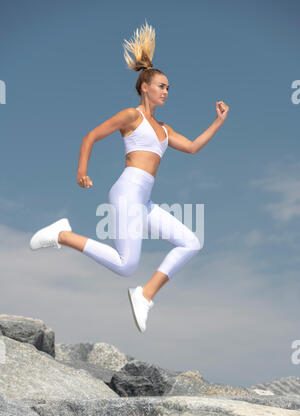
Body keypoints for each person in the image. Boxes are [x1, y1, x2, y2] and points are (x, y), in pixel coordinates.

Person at [29, 21, 229, 333]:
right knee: (126, 265)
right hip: (127, 192)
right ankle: (62, 235)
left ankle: (145, 295)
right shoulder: (131, 116)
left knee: (190, 242)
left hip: (143, 200)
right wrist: (82, 172)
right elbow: (91, 136)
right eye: (161, 86)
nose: (166, 91)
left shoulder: (164, 129)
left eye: (168, 88)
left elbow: (191, 148)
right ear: (144, 87)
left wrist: (217, 122)